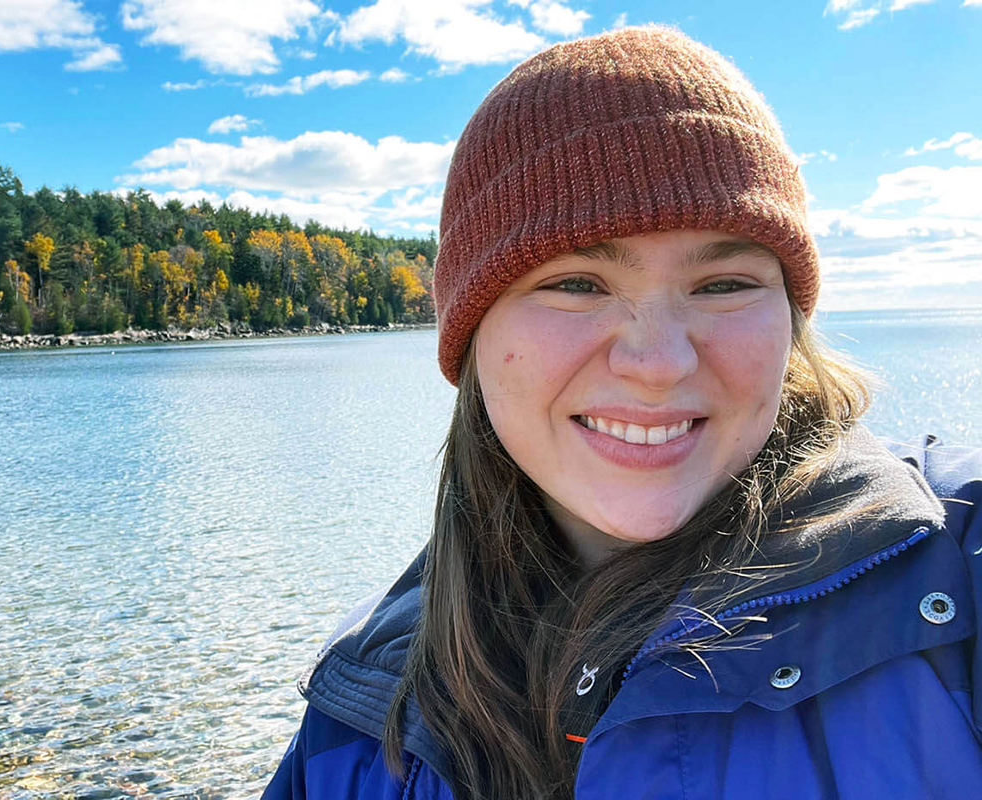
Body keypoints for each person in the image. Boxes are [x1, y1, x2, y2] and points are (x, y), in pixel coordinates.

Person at [262, 25, 982, 800]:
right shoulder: (362, 711)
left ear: (790, 322)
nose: (659, 362)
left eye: (723, 285)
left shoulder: (956, 576)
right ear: (472, 334)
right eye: (576, 284)